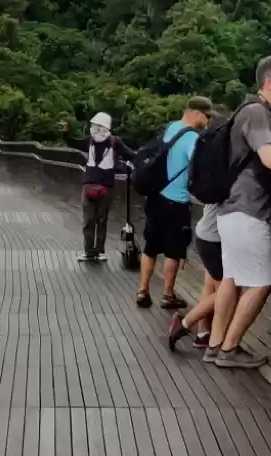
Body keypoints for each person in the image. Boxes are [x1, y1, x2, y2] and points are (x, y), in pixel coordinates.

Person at [206, 56, 271, 369]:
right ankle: (229, 349)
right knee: (262, 282)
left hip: (230, 210)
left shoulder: (247, 110)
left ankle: (215, 345)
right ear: (269, 82)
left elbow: (261, 161)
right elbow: (268, 159)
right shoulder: (256, 112)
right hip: (247, 212)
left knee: (232, 278)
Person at [136, 98, 212, 309]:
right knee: (174, 251)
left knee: (150, 247)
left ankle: (143, 290)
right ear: (197, 114)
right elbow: (199, 168)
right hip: (176, 201)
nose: (208, 121)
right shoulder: (192, 138)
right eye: (207, 116)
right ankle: (168, 294)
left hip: (154, 196)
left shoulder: (170, 128)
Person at [76, 113, 133, 263]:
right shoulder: (89, 141)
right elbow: (74, 143)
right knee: (89, 220)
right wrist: (65, 133)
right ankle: (88, 251)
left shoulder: (115, 142)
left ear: (107, 128)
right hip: (89, 185)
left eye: (100, 126)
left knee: (102, 220)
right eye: (95, 126)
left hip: (106, 187)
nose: (96, 129)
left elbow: (129, 154)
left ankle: (99, 251)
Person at [166, 202, 222, 349]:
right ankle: (186, 322)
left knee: (211, 285)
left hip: (207, 233)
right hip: (216, 237)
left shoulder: (213, 179)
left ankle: (203, 334)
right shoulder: (228, 179)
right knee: (228, 292)